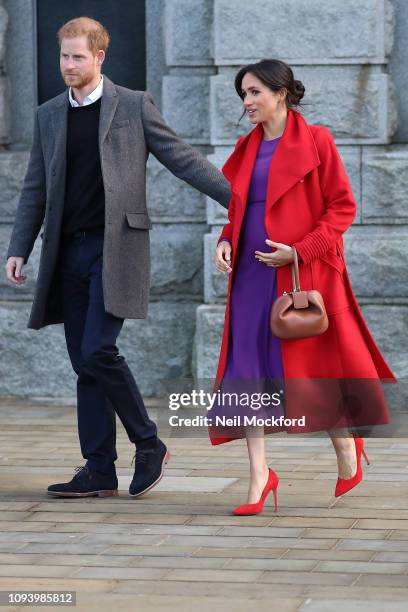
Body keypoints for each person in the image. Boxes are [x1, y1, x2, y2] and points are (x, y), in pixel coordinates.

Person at [5, 17, 231, 499]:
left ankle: (148, 443)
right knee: (83, 363)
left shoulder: (132, 105)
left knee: (98, 350)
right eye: (63, 57)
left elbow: (182, 158)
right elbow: (35, 188)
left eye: (77, 57)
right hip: (67, 254)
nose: (68, 65)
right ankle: (99, 469)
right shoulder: (48, 114)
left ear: (99, 57)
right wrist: (19, 247)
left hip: (116, 249)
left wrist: (240, 200)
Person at [210, 58, 397, 515]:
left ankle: (347, 448)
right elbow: (240, 209)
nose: (247, 102)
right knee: (246, 369)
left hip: (301, 275)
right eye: (243, 94)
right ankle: (259, 478)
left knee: (310, 371)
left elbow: (342, 208)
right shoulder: (245, 146)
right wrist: (225, 239)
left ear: (281, 93)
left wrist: (300, 251)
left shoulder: (317, 140)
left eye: (254, 92)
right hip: (251, 277)